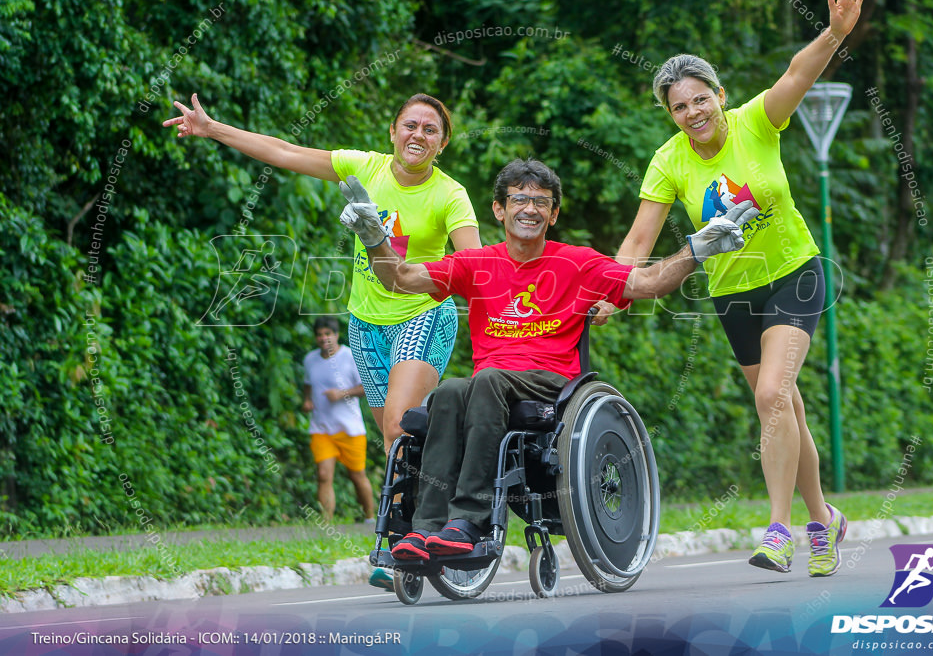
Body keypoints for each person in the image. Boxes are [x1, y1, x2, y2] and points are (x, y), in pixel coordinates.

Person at [338, 158, 757, 558]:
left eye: (541, 201)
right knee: (449, 391)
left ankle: (468, 522)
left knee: (485, 381)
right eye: (519, 199)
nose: (530, 209)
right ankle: (425, 529)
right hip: (493, 384)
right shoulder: (476, 263)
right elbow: (402, 278)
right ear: (499, 210)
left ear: (553, 214)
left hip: (553, 382)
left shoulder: (578, 262)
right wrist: (376, 239)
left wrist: (695, 250)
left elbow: (647, 282)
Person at [606, 0, 865, 577]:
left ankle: (780, 530)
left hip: (795, 272)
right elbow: (639, 241)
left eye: (700, 98)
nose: (692, 112)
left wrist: (833, 32)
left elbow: (797, 73)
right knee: (786, 408)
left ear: (719, 94)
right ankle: (824, 520)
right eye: (679, 106)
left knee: (771, 393)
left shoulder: (757, 121)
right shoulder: (668, 160)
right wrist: (612, 289)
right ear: (668, 113)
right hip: (732, 292)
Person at [163, 93, 482, 457]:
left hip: (423, 314)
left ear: (442, 144)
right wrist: (211, 128)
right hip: (365, 322)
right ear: (393, 131)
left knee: (400, 426)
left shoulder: (450, 194)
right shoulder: (364, 167)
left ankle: (439, 496)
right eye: (410, 126)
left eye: (430, 130)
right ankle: (416, 505)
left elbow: (474, 264)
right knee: (395, 446)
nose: (418, 135)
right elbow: (285, 153)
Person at [301, 316, 375, 522]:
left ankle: (370, 517)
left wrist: (342, 393)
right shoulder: (310, 359)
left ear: (336, 335)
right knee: (324, 476)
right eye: (319, 335)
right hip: (321, 428)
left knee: (357, 475)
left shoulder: (351, 357)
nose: (323, 338)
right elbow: (307, 384)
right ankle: (327, 522)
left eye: (327, 334)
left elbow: (365, 388)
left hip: (350, 428)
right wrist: (307, 400)